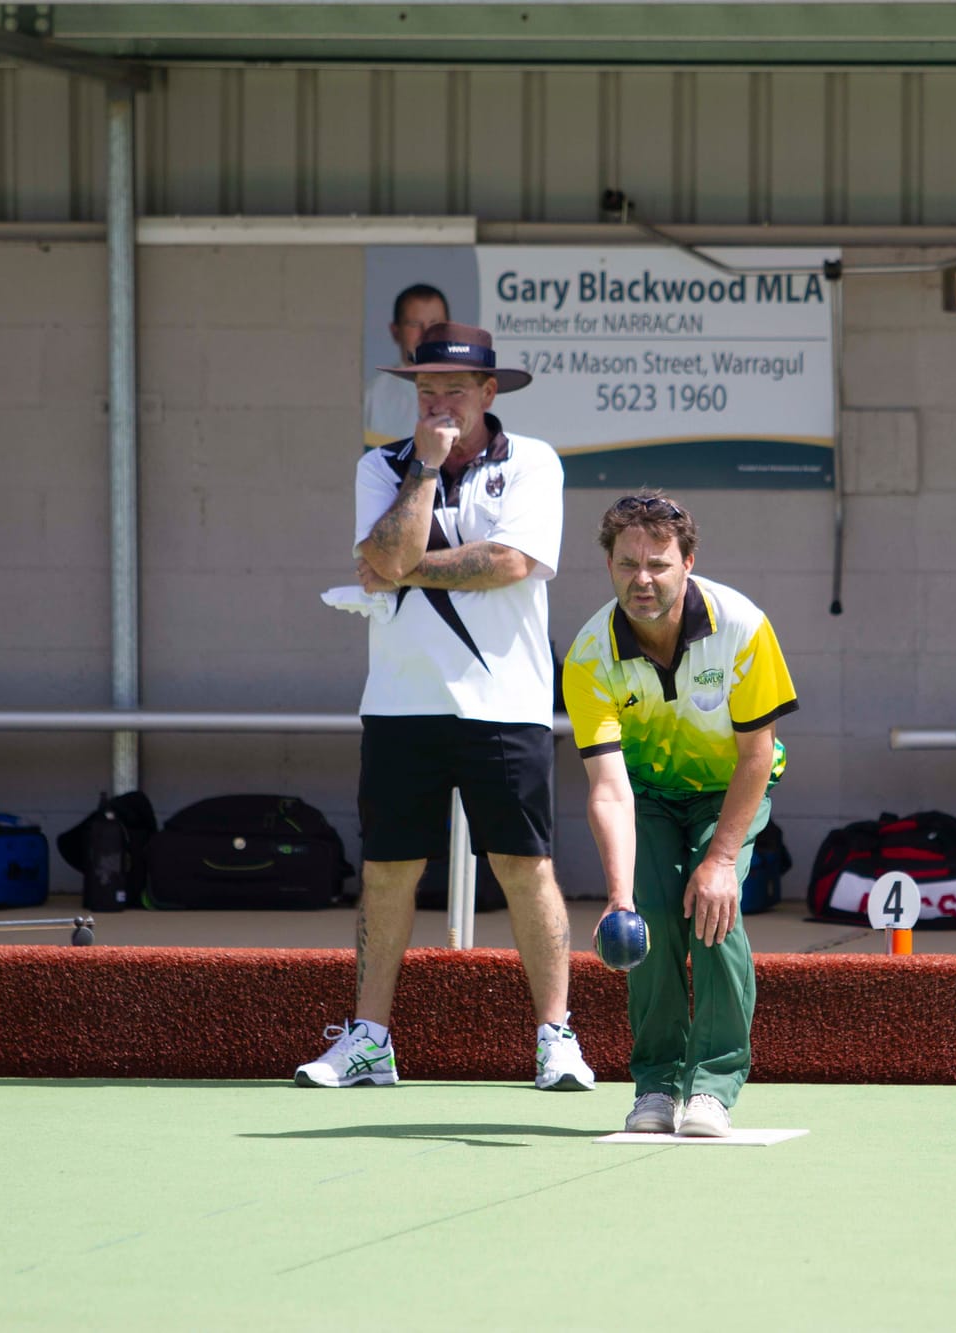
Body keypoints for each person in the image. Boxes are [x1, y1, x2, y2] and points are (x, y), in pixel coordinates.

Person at [296, 321, 596, 1093]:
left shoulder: (533, 462)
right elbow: (387, 553)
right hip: (401, 703)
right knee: (389, 870)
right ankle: (369, 1039)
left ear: (490, 392)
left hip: (509, 699)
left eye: (453, 390)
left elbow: (509, 562)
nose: (437, 404)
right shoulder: (383, 465)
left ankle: (555, 1036)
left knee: (525, 867)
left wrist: (398, 567)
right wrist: (423, 471)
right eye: (425, 391)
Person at [560, 492, 798, 1137]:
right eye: (627, 562)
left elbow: (758, 752)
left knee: (713, 911)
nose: (643, 578)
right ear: (608, 565)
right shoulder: (588, 656)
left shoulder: (743, 627)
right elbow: (608, 787)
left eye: (659, 563)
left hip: (730, 789)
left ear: (687, 562)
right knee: (652, 918)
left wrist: (720, 859)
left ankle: (713, 1089)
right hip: (648, 794)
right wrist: (617, 897)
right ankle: (657, 1088)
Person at [363, 283, 452, 447]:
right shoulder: (373, 396)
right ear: (395, 331)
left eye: (434, 324)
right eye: (414, 324)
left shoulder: (469, 392)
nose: (426, 333)